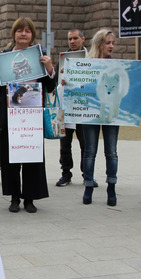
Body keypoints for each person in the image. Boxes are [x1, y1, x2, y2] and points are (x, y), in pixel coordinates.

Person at [0, 17, 56, 213]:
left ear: (32, 35)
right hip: (9, 115)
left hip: (32, 115)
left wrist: (50, 68)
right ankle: (15, 197)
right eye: (19, 30)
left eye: (27, 31)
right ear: (14, 34)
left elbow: (50, 87)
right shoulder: (3, 58)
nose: (23, 34)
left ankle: (30, 198)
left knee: (32, 156)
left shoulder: (40, 56)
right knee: (10, 157)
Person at [77, 29, 120, 206]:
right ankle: (88, 186)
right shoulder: (87, 64)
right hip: (91, 113)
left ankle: (111, 187)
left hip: (110, 113)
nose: (111, 46)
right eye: (108, 42)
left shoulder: (117, 65)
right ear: (99, 43)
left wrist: (139, 84)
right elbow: (78, 83)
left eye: (113, 43)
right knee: (89, 151)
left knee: (111, 151)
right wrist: (68, 81)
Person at [56, 29, 88, 187]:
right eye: (70, 39)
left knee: (86, 145)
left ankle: (87, 174)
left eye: (75, 38)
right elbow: (54, 82)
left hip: (83, 109)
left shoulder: (91, 58)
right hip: (65, 108)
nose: (72, 41)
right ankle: (66, 173)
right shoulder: (63, 58)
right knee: (64, 144)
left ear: (83, 39)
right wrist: (60, 84)